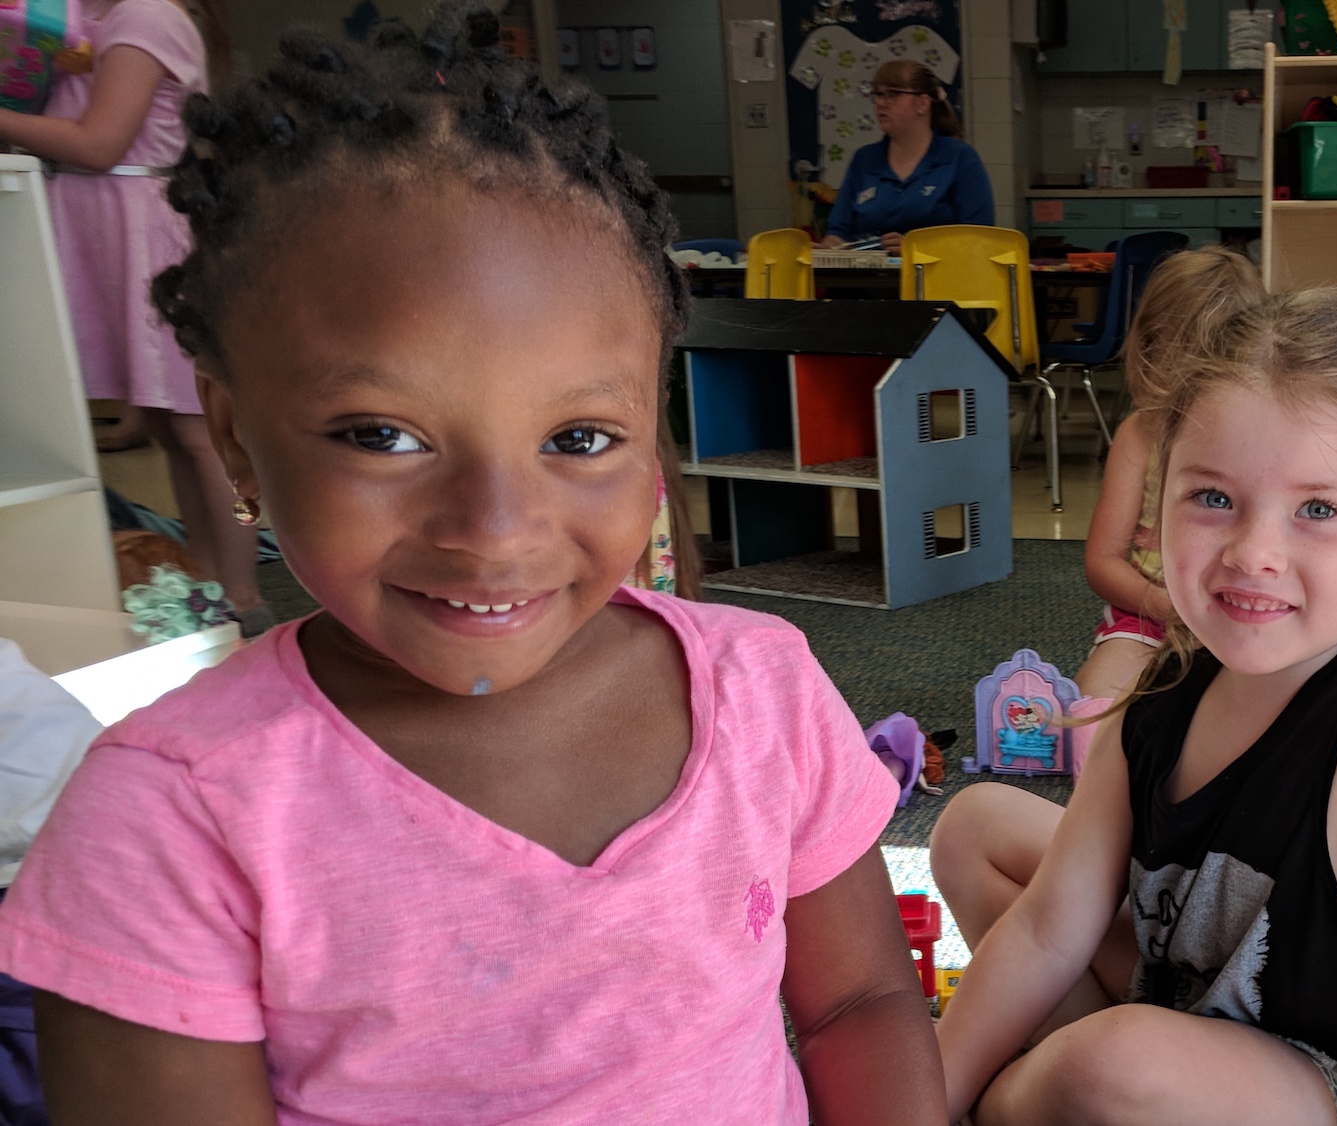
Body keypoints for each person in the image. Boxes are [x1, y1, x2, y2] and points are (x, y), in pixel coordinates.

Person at [0, 8, 944, 1124]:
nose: (494, 529)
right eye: (381, 434)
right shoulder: (170, 820)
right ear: (239, 435)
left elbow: (860, 1005)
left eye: (579, 438)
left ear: (652, 437)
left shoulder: (763, 689)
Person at [929, 252, 1337, 1126]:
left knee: (1106, 1066)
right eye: (1212, 497)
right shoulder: (1167, 690)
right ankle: (1062, 1084)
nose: (1252, 552)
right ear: (1161, 503)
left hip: (1319, 1084)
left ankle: (1031, 1096)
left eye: (1317, 510)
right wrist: (916, 1093)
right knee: (977, 824)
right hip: (1179, 1008)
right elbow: (1053, 925)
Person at [0, 0, 267, 630]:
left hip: (142, 231)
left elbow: (99, 142)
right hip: (101, 229)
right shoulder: (74, 19)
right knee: (173, 430)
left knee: (201, 431)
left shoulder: (146, 15)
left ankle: (244, 593)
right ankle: (206, 577)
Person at [1072, 247, 1261, 703]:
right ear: (1150, 351)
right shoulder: (1139, 435)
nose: (1185, 387)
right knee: (1092, 705)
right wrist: (1161, 605)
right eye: (1172, 361)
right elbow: (1103, 562)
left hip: (1245, 617)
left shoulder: (1263, 440)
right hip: (1148, 619)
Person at [822, 59, 994, 255]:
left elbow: (980, 238)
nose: (880, 103)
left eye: (892, 94)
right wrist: (832, 245)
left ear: (922, 103)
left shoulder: (960, 158)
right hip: (868, 281)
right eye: (878, 95)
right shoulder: (864, 160)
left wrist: (918, 249)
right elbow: (839, 230)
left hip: (937, 280)